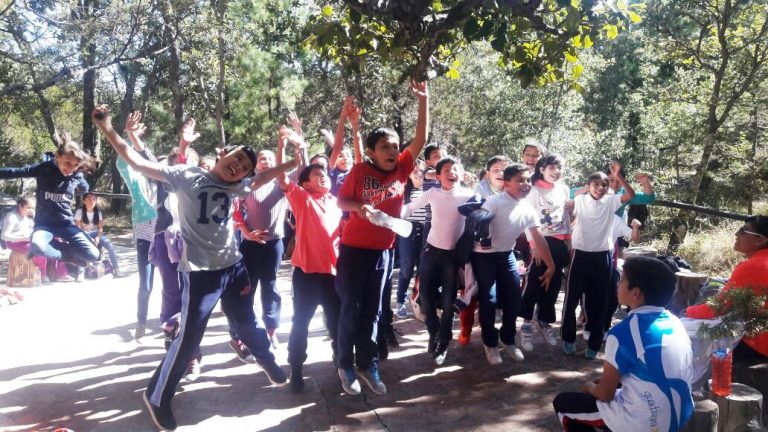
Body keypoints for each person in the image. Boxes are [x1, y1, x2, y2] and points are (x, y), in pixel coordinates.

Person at [93, 105, 298, 431]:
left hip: (234, 267)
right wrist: (107, 129)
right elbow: (137, 161)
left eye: (244, 166)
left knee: (247, 321)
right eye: (235, 158)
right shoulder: (185, 175)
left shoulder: (238, 187)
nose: (238, 166)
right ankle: (157, 397)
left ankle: (269, 362)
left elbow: (263, 177)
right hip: (201, 274)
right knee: (188, 340)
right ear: (222, 155)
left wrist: (291, 162)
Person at [334, 80, 428, 396]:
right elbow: (341, 202)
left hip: (384, 253)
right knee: (351, 308)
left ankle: (368, 363)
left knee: (374, 311)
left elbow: (420, 139)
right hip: (352, 252)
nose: (392, 151)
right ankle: (344, 363)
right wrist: (359, 207)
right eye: (385, 146)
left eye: (394, 146)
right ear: (372, 151)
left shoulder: (401, 171)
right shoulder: (360, 171)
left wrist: (423, 101)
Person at [553, 256, 694, 432]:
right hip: (680, 416)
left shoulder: (622, 333)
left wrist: (589, 387)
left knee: (563, 403)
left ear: (635, 293)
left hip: (644, 423)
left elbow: (605, 394)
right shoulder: (676, 323)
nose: (618, 285)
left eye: (622, 280)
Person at [277, 132, 343, 392]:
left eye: (324, 173)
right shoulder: (302, 199)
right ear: (305, 183)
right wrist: (282, 147)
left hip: (334, 275)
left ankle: (342, 362)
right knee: (300, 324)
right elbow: (282, 178)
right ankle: (296, 369)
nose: (322, 175)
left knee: (337, 323)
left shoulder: (338, 203)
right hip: (306, 276)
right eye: (315, 174)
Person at [471, 164, 555, 365]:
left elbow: (538, 237)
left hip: (506, 254)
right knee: (489, 299)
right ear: (506, 183)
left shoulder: (527, 209)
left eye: (527, 180)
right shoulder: (494, 202)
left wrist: (551, 266)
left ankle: (507, 339)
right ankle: (490, 343)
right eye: (520, 180)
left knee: (514, 298)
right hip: (484, 256)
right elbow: (477, 224)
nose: (525, 184)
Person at [402, 157, 473, 365]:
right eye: (447, 170)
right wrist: (391, 217)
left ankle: (443, 342)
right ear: (439, 175)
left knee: (450, 302)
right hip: (431, 253)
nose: (452, 172)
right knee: (425, 297)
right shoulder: (432, 193)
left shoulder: (469, 196)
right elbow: (410, 208)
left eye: (456, 169)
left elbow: (487, 211)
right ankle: (433, 331)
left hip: (453, 258)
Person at [561, 163, 635, 359]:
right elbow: (568, 216)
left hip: (603, 257)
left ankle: (594, 344)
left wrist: (619, 177)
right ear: (588, 185)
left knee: (600, 301)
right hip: (580, 255)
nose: (600, 188)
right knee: (571, 300)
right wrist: (569, 208)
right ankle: (568, 339)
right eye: (596, 184)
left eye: (604, 184)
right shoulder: (580, 200)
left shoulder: (611, 201)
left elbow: (631, 195)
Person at [0, 137, 99, 280]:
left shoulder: (76, 175)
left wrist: (81, 186)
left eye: (75, 165)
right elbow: (17, 171)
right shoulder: (44, 169)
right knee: (37, 247)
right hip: (44, 225)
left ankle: (67, 254)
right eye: (67, 163)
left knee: (93, 255)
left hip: (66, 224)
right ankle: (68, 256)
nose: (70, 168)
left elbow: (85, 188)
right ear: (58, 157)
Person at [686, 216, 768, 359]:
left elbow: (719, 308)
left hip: (758, 345)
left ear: (760, 240)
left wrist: (686, 311)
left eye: (743, 231)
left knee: (692, 339)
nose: (736, 234)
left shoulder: (752, 266)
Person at [518, 154, 571, 351]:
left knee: (554, 284)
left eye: (560, 167)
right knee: (534, 283)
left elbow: (565, 216)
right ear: (542, 168)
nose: (556, 171)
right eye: (552, 167)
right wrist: (533, 245)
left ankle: (544, 321)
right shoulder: (533, 189)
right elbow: (526, 218)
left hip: (559, 241)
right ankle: (526, 325)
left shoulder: (564, 189)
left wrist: (568, 240)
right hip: (540, 240)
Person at [457, 155, 511, 346]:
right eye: (496, 170)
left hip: (503, 248)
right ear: (487, 174)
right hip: (477, 248)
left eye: (505, 170)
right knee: (471, 287)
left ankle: (501, 331)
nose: (501, 174)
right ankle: (466, 326)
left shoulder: (514, 190)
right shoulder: (480, 189)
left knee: (502, 291)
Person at [119, 111, 159, 340]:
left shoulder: (168, 185)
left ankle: (175, 324)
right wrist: (129, 137)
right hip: (146, 238)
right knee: (146, 285)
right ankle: (141, 322)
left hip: (167, 239)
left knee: (179, 285)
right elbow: (121, 162)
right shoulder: (137, 180)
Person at [395, 159, 427, 319]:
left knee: (423, 271)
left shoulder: (430, 189)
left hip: (426, 233)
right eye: (413, 169)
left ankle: (419, 301)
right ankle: (400, 302)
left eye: (419, 169)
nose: (416, 171)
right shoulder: (403, 191)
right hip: (407, 232)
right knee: (406, 270)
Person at [74, 192, 121, 280]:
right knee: (80, 247)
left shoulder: (98, 212)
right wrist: (88, 238)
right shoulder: (79, 212)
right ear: (84, 201)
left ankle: (116, 269)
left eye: (94, 199)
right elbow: (78, 229)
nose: (92, 201)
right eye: (89, 199)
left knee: (110, 246)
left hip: (96, 233)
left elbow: (100, 228)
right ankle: (81, 272)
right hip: (83, 234)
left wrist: (98, 237)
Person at [1, 196, 48, 282]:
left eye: (33, 208)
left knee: (51, 245)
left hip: (27, 240)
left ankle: (57, 274)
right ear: (20, 206)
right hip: (14, 242)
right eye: (28, 207)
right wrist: (23, 238)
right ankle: (42, 274)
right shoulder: (12, 217)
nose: (31, 210)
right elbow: (4, 236)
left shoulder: (29, 216)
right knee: (38, 249)